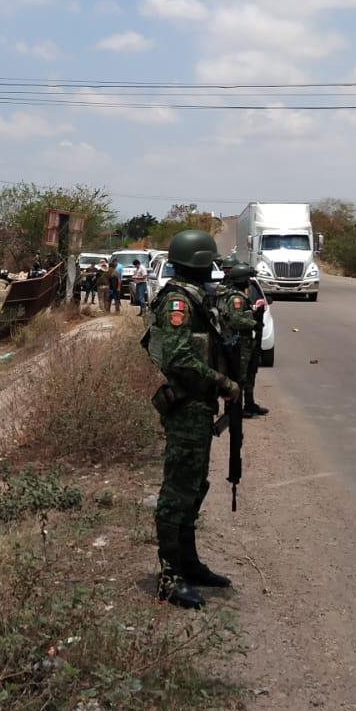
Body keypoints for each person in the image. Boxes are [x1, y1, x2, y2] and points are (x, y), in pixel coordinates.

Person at [142, 229, 238, 609]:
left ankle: (189, 563)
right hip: (186, 408)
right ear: (198, 263)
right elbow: (179, 359)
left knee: (194, 486)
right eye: (208, 262)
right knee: (177, 492)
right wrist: (223, 382)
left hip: (199, 408)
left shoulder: (196, 298)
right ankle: (171, 577)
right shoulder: (178, 302)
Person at [227, 264, 269, 418]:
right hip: (239, 343)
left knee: (250, 373)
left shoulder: (242, 296)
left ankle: (249, 404)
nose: (249, 281)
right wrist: (253, 323)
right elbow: (235, 320)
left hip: (247, 342)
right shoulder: (236, 298)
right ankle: (236, 407)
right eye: (247, 279)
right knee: (241, 375)